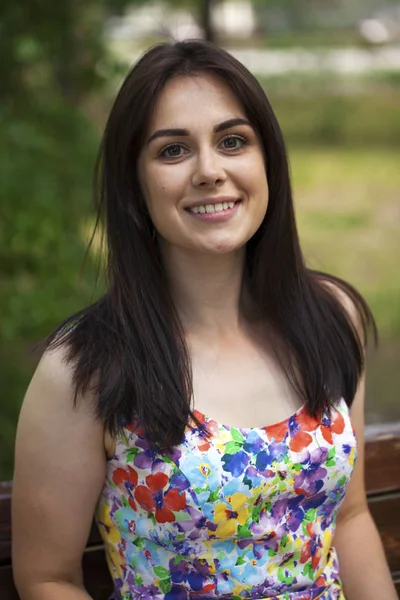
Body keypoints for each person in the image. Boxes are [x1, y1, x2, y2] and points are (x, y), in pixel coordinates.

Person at [11, 40, 396, 600]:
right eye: (173, 151)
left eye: (233, 141)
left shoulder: (331, 318)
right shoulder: (83, 368)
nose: (210, 171)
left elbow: (352, 516)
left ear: (268, 162)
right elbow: (47, 579)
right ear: (136, 188)